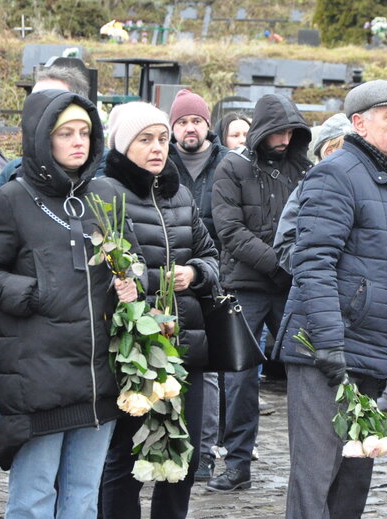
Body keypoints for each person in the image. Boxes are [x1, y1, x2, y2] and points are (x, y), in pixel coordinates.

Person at [0, 90, 138, 518]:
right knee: (34, 498)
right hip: (40, 377)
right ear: (43, 139)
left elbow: (134, 262)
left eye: (85, 132)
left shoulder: (107, 195)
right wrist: (35, 294)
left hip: (98, 375)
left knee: (82, 496)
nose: (78, 142)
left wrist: (134, 283)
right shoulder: (14, 199)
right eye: (66, 134)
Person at [273, 79, 387, 519]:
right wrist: (328, 343)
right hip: (327, 349)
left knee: (352, 480)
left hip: (367, 349)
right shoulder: (336, 174)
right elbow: (312, 262)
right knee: (316, 478)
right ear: (359, 123)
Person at [98, 102, 219, 519]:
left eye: (162, 139)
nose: (157, 148)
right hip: (136, 347)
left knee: (182, 451)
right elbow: (108, 274)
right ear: (123, 144)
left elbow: (210, 255)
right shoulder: (106, 194)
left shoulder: (179, 194)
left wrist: (194, 272)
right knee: (126, 454)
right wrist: (154, 284)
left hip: (186, 345)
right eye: (145, 140)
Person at [210, 93, 312, 492]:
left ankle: (310, 467)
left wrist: (293, 266)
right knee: (239, 379)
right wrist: (279, 262)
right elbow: (231, 231)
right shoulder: (232, 168)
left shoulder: (304, 170)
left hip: (291, 285)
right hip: (247, 285)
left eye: (291, 131)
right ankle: (237, 464)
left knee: (307, 373)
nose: (285, 138)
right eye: (278, 131)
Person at [164, 90, 230, 482]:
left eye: (197, 121)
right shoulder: (161, 162)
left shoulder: (227, 164)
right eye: (183, 122)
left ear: (208, 125)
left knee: (206, 373)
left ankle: (204, 452)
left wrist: (210, 270)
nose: (190, 128)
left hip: (211, 280)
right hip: (165, 284)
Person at [274, 112, 352, 275]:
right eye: (349, 149)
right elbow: (285, 245)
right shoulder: (306, 190)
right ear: (329, 151)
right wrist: (314, 271)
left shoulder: (367, 187)